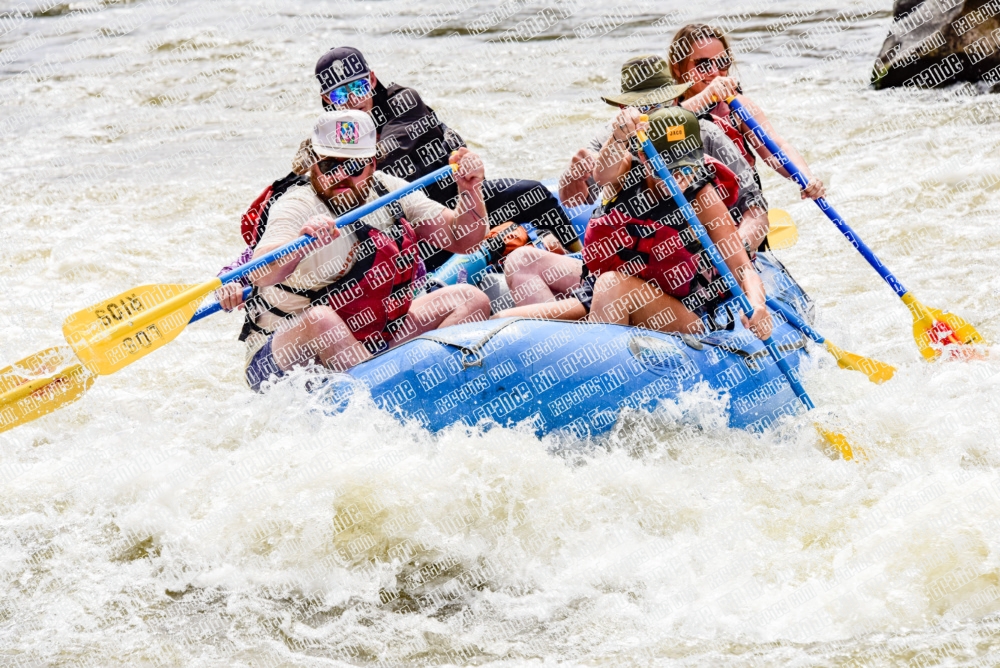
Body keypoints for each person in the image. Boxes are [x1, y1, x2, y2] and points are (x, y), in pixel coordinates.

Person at [238, 110, 491, 391]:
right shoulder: (297, 204)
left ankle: (421, 384)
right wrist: (300, 244)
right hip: (281, 357)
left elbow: (464, 238)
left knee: (470, 299)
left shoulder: (389, 190)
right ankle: (385, 393)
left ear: (371, 164)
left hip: (370, 339)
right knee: (321, 321)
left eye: (354, 167)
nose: (341, 178)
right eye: (331, 165)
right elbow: (260, 271)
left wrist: (469, 190)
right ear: (314, 164)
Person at [500, 108, 773, 341]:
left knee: (610, 285)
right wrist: (619, 136)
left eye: (686, 167)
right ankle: (554, 346)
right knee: (521, 260)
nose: (678, 179)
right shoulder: (625, 172)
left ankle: (595, 357)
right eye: (666, 168)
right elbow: (603, 172)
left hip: (680, 309)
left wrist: (758, 305)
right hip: (610, 285)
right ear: (643, 158)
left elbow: (742, 268)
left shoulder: (703, 197)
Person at [303, 46, 580, 264]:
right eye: (340, 94)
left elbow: (388, 148)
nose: (352, 100)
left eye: (359, 87)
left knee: (533, 193)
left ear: (372, 79)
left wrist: (341, 159)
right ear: (327, 99)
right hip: (408, 221)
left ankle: (579, 258)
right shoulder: (327, 136)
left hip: (452, 203)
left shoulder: (403, 100)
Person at [558, 55, 770, 253]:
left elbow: (755, 207)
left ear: (676, 100)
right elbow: (572, 200)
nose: (654, 113)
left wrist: (739, 248)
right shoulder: (613, 138)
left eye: (662, 103)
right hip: (638, 255)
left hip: (703, 251)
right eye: (642, 106)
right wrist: (572, 176)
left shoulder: (707, 133)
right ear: (624, 108)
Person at [669, 24, 826, 203]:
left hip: (741, 208)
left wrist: (806, 178)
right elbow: (662, 126)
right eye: (703, 64)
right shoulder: (663, 108)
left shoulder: (737, 106)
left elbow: (776, 146)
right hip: (687, 207)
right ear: (678, 69)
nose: (714, 72)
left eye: (721, 62)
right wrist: (705, 97)